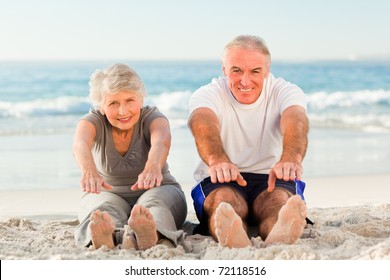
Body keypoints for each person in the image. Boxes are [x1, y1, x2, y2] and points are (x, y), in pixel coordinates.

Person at [188, 35, 309, 248]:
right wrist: (217, 160)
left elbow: (296, 120)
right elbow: (202, 123)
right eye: (236, 71)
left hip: (271, 178)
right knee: (225, 202)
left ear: (267, 70)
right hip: (222, 177)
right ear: (224, 69)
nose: (245, 81)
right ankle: (235, 239)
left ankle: (278, 233)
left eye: (255, 71)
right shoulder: (207, 94)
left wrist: (291, 158)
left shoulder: (285, 91)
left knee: (277, 202)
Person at [73, 63, 187, 250]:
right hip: (108, 193)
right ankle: (109, 236)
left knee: (152, 205)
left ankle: (150, 233)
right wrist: (88, 170)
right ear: (101, 105)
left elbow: (162, 140)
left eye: (129, 100)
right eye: (113, 103)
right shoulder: (93, 121)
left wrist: (153, 166)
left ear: (141, 99)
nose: (123, 111)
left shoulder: (153, 117)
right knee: (102, 210)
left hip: (159, 189)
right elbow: (80, 143)